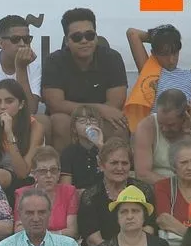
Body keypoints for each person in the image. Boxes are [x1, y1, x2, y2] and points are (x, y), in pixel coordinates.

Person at [42, 8, 129, 152]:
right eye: (77, 37)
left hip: (101, 118)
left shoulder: (112, 58)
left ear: (96, 37)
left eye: (89, 35)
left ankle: (112, 165)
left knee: (118, 124)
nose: (84, 41)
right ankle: (66, 166)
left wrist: (95, 116)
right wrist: (99, 109)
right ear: (67, 41)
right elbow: (56, 105)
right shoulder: (54, 61)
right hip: (69, 117)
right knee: (59, 121)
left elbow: (115, 104)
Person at [79, 139, 158, 246]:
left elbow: (149, 228)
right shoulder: (90, 195)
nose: (120, 168)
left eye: (124, 163)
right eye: (114, 163)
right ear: (101, 165)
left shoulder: (143, 190)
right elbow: (93, 239)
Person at [125, 24, 191, 127]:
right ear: (154, 53)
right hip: (155, 128)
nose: (171, 60)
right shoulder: (149, 71)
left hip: (184, 128)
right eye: (164, 54)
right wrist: (161, 37)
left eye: (175, 53)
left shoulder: (190, 76)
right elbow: (132, 33)